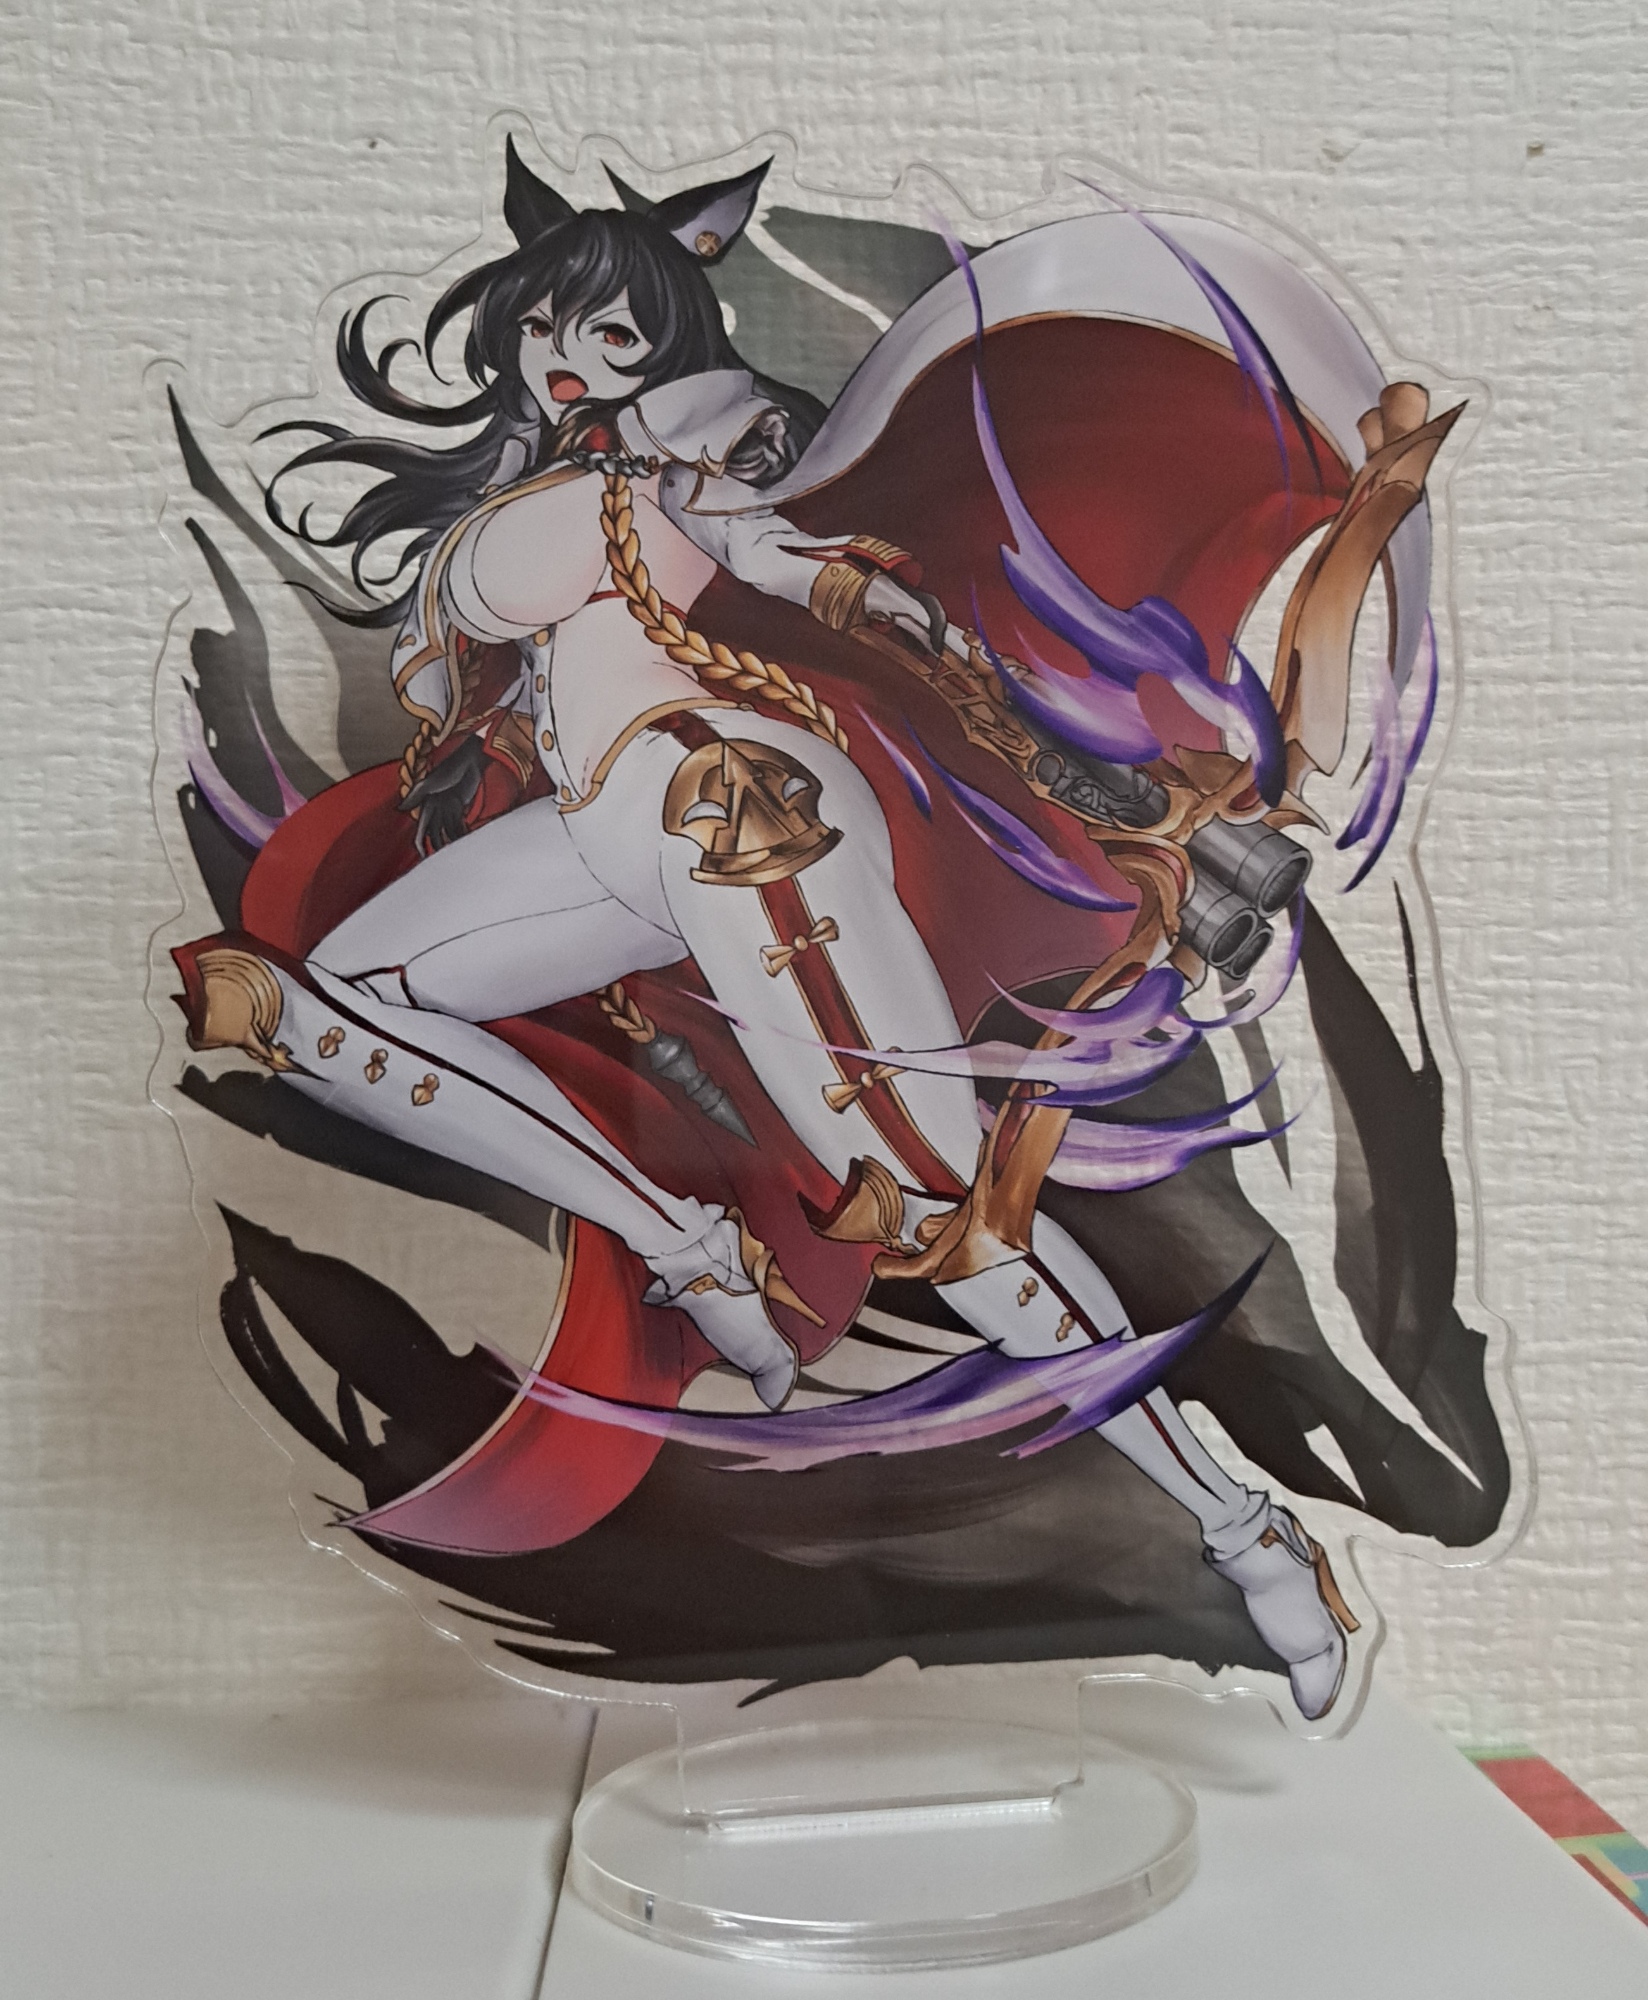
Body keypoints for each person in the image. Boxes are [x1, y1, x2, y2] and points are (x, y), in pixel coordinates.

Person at [174, 144, 1380, 1716]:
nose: (571, 358)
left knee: (952, 1219)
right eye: (547, 325)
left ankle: (1247, 1533)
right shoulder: (542, 481)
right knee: (329, 1003)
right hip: (601, 837)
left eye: (614, 331)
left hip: (738, 814)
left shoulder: (697, 441)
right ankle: (689, 1246)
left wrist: (962, 670)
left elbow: (786, 554)